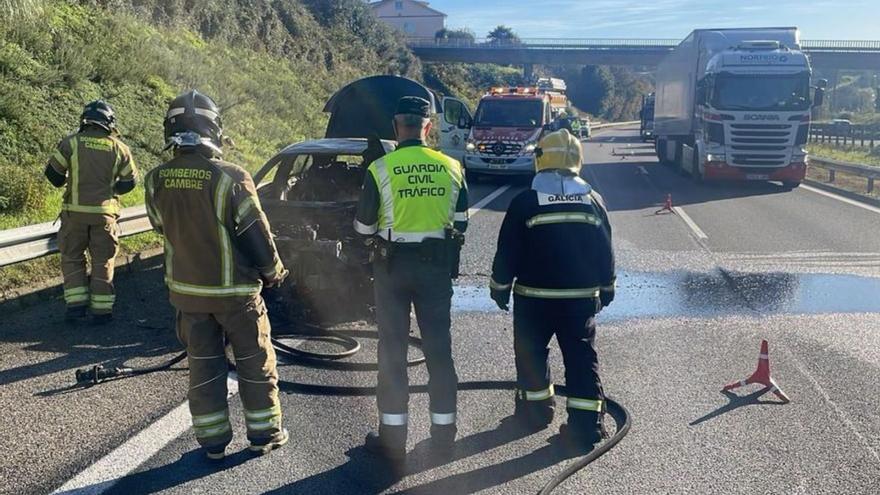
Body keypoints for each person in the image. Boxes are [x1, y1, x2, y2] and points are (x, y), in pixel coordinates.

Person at [144, 90, 289, 460]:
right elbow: (255, 234)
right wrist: (274, 273)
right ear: (214, 129)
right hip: (236, 296)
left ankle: (212, 444)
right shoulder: (231, 177)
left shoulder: (156, 179)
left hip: (188, 297)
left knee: (204, 369)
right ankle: (264, 435)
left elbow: (161, 227)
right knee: (255, 364)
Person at [354, 96, 469, 462]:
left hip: (392, 270)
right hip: (435, 270)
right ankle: (444, 436)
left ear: (395, 127)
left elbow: (363, 227)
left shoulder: (381, 168)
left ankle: (392, 439)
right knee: (439, 352)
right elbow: (462, 221)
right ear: (428, 126)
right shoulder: (452, 167)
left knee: (392, 353)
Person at [489, 129, 616, 453]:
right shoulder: (593, 200)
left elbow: (508, 251)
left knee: (531, 354)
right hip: (579, 302)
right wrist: (607, 287)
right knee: (580, 358)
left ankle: (535, 412)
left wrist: (500, 288)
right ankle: (587, 428)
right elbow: (605, 249)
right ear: (577, 160)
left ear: (540, 159)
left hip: (534, 300)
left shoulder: (526, 201)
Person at [45, 100, 137, 324]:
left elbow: (54, 176)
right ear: (109, 123)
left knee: (72, 258)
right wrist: (111, 189)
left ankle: (75, 307)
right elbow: (130, 182)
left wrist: (71, 180)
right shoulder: (119, 148)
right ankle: (102, 311)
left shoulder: (71, 144)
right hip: (104, 216)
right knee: (103, 261)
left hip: (74, 215)